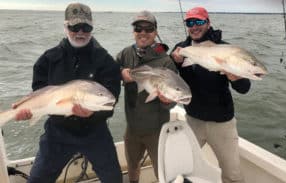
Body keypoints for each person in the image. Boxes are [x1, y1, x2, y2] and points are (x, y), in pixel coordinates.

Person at [14, 3, 122, 183]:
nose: (80, 32)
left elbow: (112, 100)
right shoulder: (47, 59)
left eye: (86, 27)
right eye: (74, 27)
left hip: (95, 132)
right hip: (58, 132)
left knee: (114, 178)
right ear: (65, 27)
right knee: (37, 179)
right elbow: (39, 92)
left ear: (92, 28)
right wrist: (30, 110)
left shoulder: (105, 61)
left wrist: (92, 114)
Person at [171, 6, 250, 183]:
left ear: (208, 23)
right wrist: (176, 63)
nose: (194, 26)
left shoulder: (226, 49)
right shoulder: (180, 49)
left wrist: (234, 77)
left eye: (199, 21)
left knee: (233, 175)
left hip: (222, 123)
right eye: (190, 22)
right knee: (186, 167)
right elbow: (173, 81)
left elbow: (244, 88)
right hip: (193, 120)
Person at [116, 10, 177, 183]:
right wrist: (121, 73)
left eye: (148, 28)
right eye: (138, 28)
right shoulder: (125, 54)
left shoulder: (166, 62)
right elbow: (110, 72)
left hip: (156, 130)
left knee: (162, 172)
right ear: (133, 32)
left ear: (156, 32)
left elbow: (173, 99)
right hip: (132, 128)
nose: (143, 33)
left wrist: (168, 102)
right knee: (132, 166)